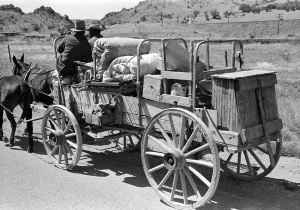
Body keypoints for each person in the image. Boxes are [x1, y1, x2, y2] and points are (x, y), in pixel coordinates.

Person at [56, 20, 93, 84]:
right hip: (75, 67)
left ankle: (64, 78)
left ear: (75, 31)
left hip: (63, 66)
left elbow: (59, 50)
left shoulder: (67, 37)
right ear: (84, 32)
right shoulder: (86, 43)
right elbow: (89, 59)